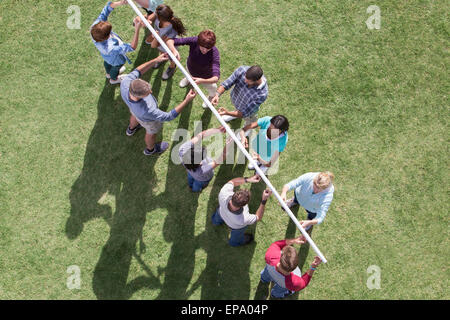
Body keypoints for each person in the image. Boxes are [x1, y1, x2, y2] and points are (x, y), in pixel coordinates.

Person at [120, 54, 197, 155]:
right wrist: (186, 100)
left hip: (133, 110)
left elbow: (138, 71)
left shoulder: (126, 82)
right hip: (148, 121)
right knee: (151, 132)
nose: (151, 92)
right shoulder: (148, 110)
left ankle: (131, 129)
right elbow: (169, 116)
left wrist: (155, 60)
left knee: (134, 115)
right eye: (148, 93)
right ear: (139, 96)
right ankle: (150, 149)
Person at [91, 1, 143, 84]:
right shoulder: (110, 48)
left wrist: (121, 2)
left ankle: (108, 73)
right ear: (107, 37)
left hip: (106, 57)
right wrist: (137, 29)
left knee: (107, 63)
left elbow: (106, 9)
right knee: (116, 68)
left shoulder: (94, 27)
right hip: (116, 60)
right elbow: (132, 47)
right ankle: (113, 79)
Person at [211, 176, 271, 246]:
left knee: (217, 218)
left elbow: (232, 182)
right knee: (236, 238)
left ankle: (215, 222)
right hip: (235, 227)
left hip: (221, 212)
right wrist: (264, 200)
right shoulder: (244, 218)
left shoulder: (223, 194)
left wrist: (248, 179)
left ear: (234, 195)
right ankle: (234, 243)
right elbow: (258, 217)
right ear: (244, 205)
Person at [171, 30, 220, 109]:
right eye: (202, 47)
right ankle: (188, 79)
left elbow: (216, 78)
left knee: (212, 88)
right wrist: (174, 50)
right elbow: (173, 41)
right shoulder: (194, 40)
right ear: (198, 42)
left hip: (206, 77)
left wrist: (202, 81)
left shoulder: (215, 53)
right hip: (190, 68)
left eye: (208, 49)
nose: (205, 50)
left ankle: (211, 97)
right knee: (188, 75)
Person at [178, 126, 231, 192]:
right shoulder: (202, 170)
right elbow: (219, 160)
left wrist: (217, 130)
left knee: (190, 179)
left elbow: (200, 135)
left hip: (190, 172)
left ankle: (190, 185)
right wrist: (228, 145)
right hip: (202, 180)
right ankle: (196, 190)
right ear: (199, 162)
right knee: (197, 186)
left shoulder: (182, 150)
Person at [145, 4, 186, 80]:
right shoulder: (158, 19)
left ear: (162, 18)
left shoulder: (172, 28)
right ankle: (162, 59)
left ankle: (172, 67)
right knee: (161, 51)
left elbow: (154, 45)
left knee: (172, 58)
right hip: (160, 43)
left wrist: (155, 37)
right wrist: (147, 20)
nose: (155, 14)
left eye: (156, 14)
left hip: (169, 46)